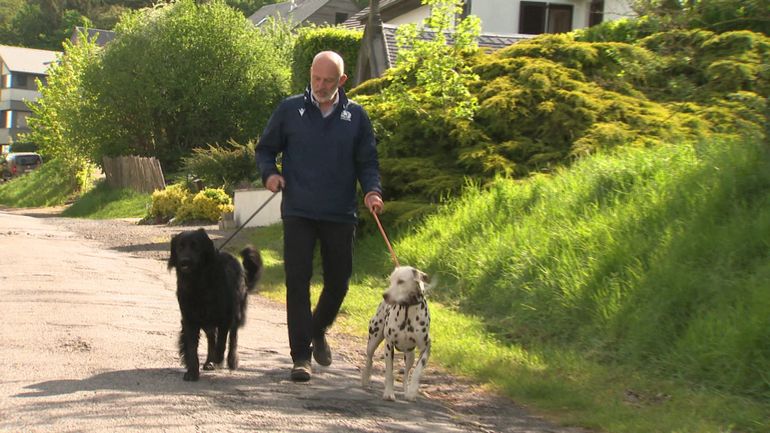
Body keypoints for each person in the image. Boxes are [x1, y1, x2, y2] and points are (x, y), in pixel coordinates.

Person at [256, 51, 384, 382]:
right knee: (297, 282)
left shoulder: (355, 116)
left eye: (328, 80)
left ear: (342, 81)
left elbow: (367, 161)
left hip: (339, 212)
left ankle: (317, 329)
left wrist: (372, 191)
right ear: (310, 75)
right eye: (316, 78)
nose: (321, 86)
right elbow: (265, 149)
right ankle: (301, 357)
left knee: (339, 282)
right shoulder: (289, 110)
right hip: (298, 209)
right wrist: (269, 175)